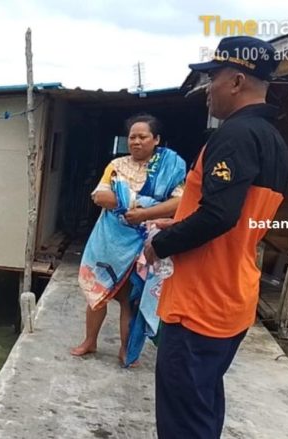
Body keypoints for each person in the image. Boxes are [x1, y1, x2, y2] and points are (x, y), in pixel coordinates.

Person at [145, 36, 288, 438]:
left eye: (213, 77)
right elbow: (237, 217)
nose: (207, 89)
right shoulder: (274, 142)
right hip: (231, 297)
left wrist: (160, 244)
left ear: (237, 81)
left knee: (182, 424)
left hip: (199, 305)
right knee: (202, 409)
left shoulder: (234, 135)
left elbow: (219, 216)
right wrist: (179, 223)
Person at [73, 114, 186, 366]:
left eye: (142, 137)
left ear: (156, 140)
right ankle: (89, 341)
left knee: (129, 299)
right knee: (96, 291)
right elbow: (100, 196)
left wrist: (143, 213)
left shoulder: (170, 167)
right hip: (108, 239)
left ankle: (125, 350)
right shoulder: (116, 165)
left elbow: (179, 202)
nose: (136, 142)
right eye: (132, 137)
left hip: (141, 243)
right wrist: (136, 204)